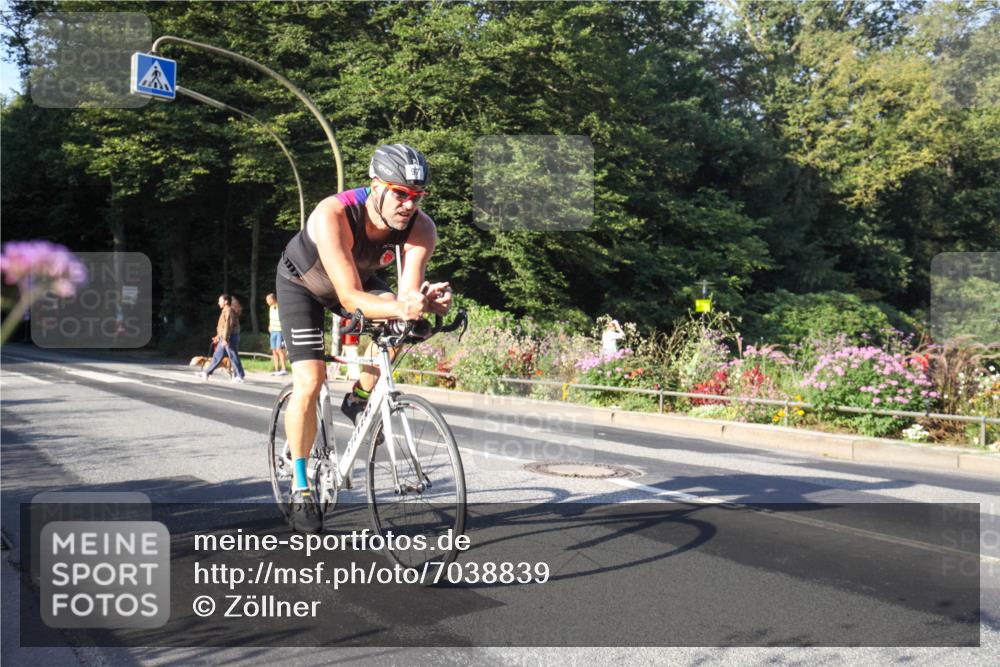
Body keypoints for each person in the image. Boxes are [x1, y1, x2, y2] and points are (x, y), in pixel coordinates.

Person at [276, 143, 452, 532]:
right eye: (401, 194)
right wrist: (401, 306)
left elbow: (405, 296)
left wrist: (422, 302)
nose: (409, 205)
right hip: (303, 284)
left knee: (404, 324)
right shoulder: (333, 213)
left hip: (358, 280)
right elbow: (349, 297)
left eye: (417, 197)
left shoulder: (422, 228)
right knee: (311, 379)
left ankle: (358, 397)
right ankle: (301, 484)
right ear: (376, 186)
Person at [198, 294, 247, 383]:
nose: (218, 303)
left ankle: (239, 376)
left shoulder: (228, 311)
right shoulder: (225, 310)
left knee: (233, 356)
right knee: (217, 356)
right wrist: (218, 337)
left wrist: (225, 339)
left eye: (220, 301)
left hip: (230, 337)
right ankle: (207, 372)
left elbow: (228, 326)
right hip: (226, 337)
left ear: (226, 301)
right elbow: (223, 327)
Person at [266, 293, 288, 375]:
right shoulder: (271, 308)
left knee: (279, 349)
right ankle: (276, 370)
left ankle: (284, 369)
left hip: (280, 331)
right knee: (274, 350)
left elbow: (284, 319)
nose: (267, 302)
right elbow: (270, 318)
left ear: (273, 299)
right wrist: (269, 325)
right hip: (273, 331)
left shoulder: (280, 307)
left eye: (268, 300)